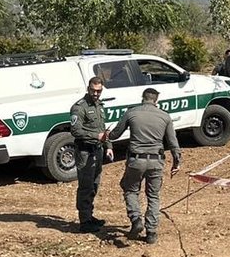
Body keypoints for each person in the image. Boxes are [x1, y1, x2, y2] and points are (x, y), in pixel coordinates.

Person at [108, 87, 181, 243]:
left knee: (130, 190)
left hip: (136, 160)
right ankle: (152, 232)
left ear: (143, 98)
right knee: (153, 196)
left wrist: (105, 136)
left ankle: (136, 220)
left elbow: (115, 134)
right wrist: (176, 162)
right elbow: (173, 143)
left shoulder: (131, 113)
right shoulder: (165, 117)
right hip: (156, 161)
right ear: (156, 100)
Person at [70, 76, 114, 232]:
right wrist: (96, 137)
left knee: (94, 184)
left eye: (99, 91)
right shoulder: (79, 107)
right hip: (84, 152)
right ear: (88, 89)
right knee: (85, 186)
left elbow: (103, 129)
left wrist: (108, 145)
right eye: (93, 91)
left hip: (97, 151)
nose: (96, 94)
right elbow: (75, 130)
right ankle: (84, 221)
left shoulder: (99, 106)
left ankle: (89, 216)